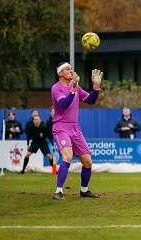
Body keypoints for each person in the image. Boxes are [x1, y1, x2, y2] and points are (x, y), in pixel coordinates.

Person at [51, 62, 103, 200]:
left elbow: (91, 100)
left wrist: (96, 87)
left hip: (74, 127)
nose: (71, 71)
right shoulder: (56, 88)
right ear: (60, 73)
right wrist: (73, 89)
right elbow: (64, 104)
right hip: (61, 126)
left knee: (87, 162)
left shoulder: (76, 88)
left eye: (71, 69)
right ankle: (59, 191)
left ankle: (84, 190)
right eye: (67, 69)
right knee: (67, 156)